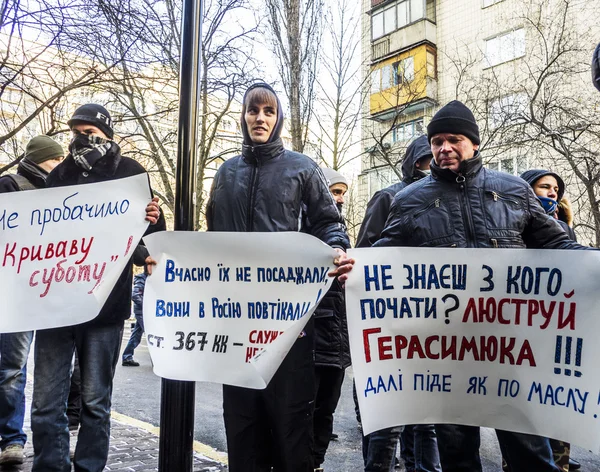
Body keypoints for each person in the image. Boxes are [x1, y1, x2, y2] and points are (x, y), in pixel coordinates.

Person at [372, 100, 593, 472]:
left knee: (531, 454)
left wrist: (594, 263)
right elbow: (381, 258)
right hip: (447, 353)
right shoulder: (409, 201)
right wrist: (353, 267)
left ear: (473, 142)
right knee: (458, 457)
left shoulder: (514, 190)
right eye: (437, 141)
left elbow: (558, 246)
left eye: (453, 139)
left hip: (511, 350)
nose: (443, 148)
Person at [206, 82, 352, 472]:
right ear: (243, 116)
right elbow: (211, 239)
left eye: (269, 112)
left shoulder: (302, 168)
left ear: (278, 119)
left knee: (290, 423)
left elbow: (329, 223)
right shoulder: (225, 173)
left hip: (289, 322)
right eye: (254, 110)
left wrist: (336, 248)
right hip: (235, 320)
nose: (260, 118)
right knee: (242, 423)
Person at [30, 104, 165, 472]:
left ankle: (88, 467)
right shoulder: (60, 174)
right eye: (75, 131)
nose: (80, 139)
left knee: (94, 401)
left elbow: (151, 237)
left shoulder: (132, 173)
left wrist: (152, 220)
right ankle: (50, 466)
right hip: (55, 303)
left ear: (106, 133)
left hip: (105, 305)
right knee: (45, 402)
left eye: (89, 132)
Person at [356, 135, 440, 472]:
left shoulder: (445, 199)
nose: (430, 167)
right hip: (390, 326)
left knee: (427, 420)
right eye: (425, 161)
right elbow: (364, 254)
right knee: (387, 420)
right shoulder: (389, 197)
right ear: (414, 161)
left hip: (433, 328)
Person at [0, 136, 64, 465]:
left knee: (51, 375)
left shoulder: (63, 190)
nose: (61, 164)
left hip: (52, 293)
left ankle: (47, 445)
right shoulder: (9, 186)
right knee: (12, 369)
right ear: (41, 160)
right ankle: (11, 440)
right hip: (18, 294)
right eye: (56, 160)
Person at [520, 169, 581, 472]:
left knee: (558, 400)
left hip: (558, 327)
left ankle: (560, 460)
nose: (553, 193)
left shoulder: (561, 227)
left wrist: (567, 226)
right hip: (527, 327)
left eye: (556, 188)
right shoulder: (517, 222)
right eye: (545, 187)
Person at [312, 168, 352, 471]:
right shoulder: (306, 227)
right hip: (313, 335)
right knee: (306, 410)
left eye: (341, 193)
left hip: (337, 339)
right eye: (333, 191)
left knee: (326, 410)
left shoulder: (342, 233)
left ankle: (315, 462)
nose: (337, 198)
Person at [122, 267, 148, 367]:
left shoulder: (147, 278)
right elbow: (135, 295)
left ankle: (127, 357)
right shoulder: (142, 278)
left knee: (136, 334)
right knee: (150, 333)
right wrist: (147, 306)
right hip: (142, 311)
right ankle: (159, 359)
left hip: (143, 311)